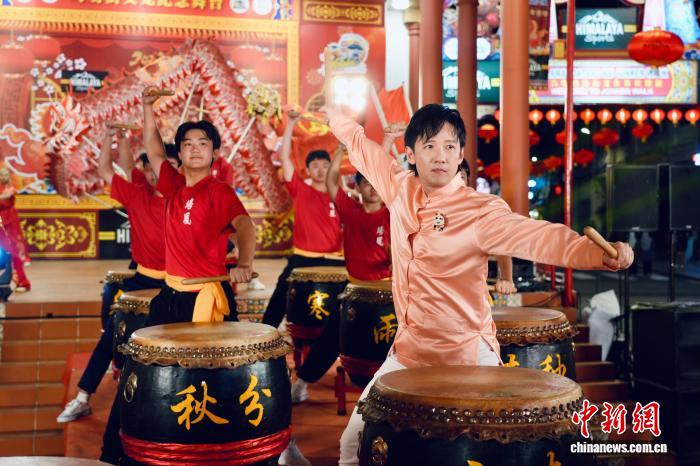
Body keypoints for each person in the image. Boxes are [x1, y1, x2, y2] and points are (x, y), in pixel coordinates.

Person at [327, 103, 634, 465]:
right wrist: (335, 116)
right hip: (408, 353)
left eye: (449, 146)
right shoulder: (398, 187)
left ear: (460, 154)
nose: (440, 156)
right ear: (410, 154)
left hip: (468, 353)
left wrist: (596, 254)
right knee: (352, 442)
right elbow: (360, 146)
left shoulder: (480, 210)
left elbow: (537, 237)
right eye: (429, 146)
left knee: (486, 451)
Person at [99, 89, 258, 464]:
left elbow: (245, 225)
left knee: (221, 377)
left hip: (209, 299)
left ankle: (226, 452)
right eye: (188, 144)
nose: (195, 149)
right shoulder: (170, 184)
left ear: (214, 153)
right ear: (181, 153)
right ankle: (112, 453)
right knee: (138, 366)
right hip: (170, 296)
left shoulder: (220, 192)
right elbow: (154, 149)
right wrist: (146, 108)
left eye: (203, 143)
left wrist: (244, 261)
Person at [57, 127, 176, 424]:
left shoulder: (187, 200)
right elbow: (107, 170)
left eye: (166, 167)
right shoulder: (136, 194)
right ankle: (83, 397)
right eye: (152, 167)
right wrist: (111, 136)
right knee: (112, 332)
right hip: (143, 280)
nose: (157, 173)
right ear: (146, 169)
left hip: (178, 283)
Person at [290, 148, 392, 405]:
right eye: (366, 183)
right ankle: (302, 382)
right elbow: (332, 181)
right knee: (331, 337)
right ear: (357, 187)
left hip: (389, 292)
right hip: (355, 289)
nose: (372, 189)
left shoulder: (393, 214)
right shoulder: (350, 209)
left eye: (376, 184)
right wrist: (339, 150)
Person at [261, 109, 343, 329]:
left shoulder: (340, 195)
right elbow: (283, 157)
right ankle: (265, 332)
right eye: (315, 166)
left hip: (335, 259)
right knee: (281, 291)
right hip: (303, 257)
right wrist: (290, 124)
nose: (321, 170)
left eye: (325, 166)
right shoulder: (300, 189)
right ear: (307, 170)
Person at [0, 167, 31, 292]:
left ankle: (22, 281)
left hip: (8, 223)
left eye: (4, 175)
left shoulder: (9, 189)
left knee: (13, 252)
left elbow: (5, 199)